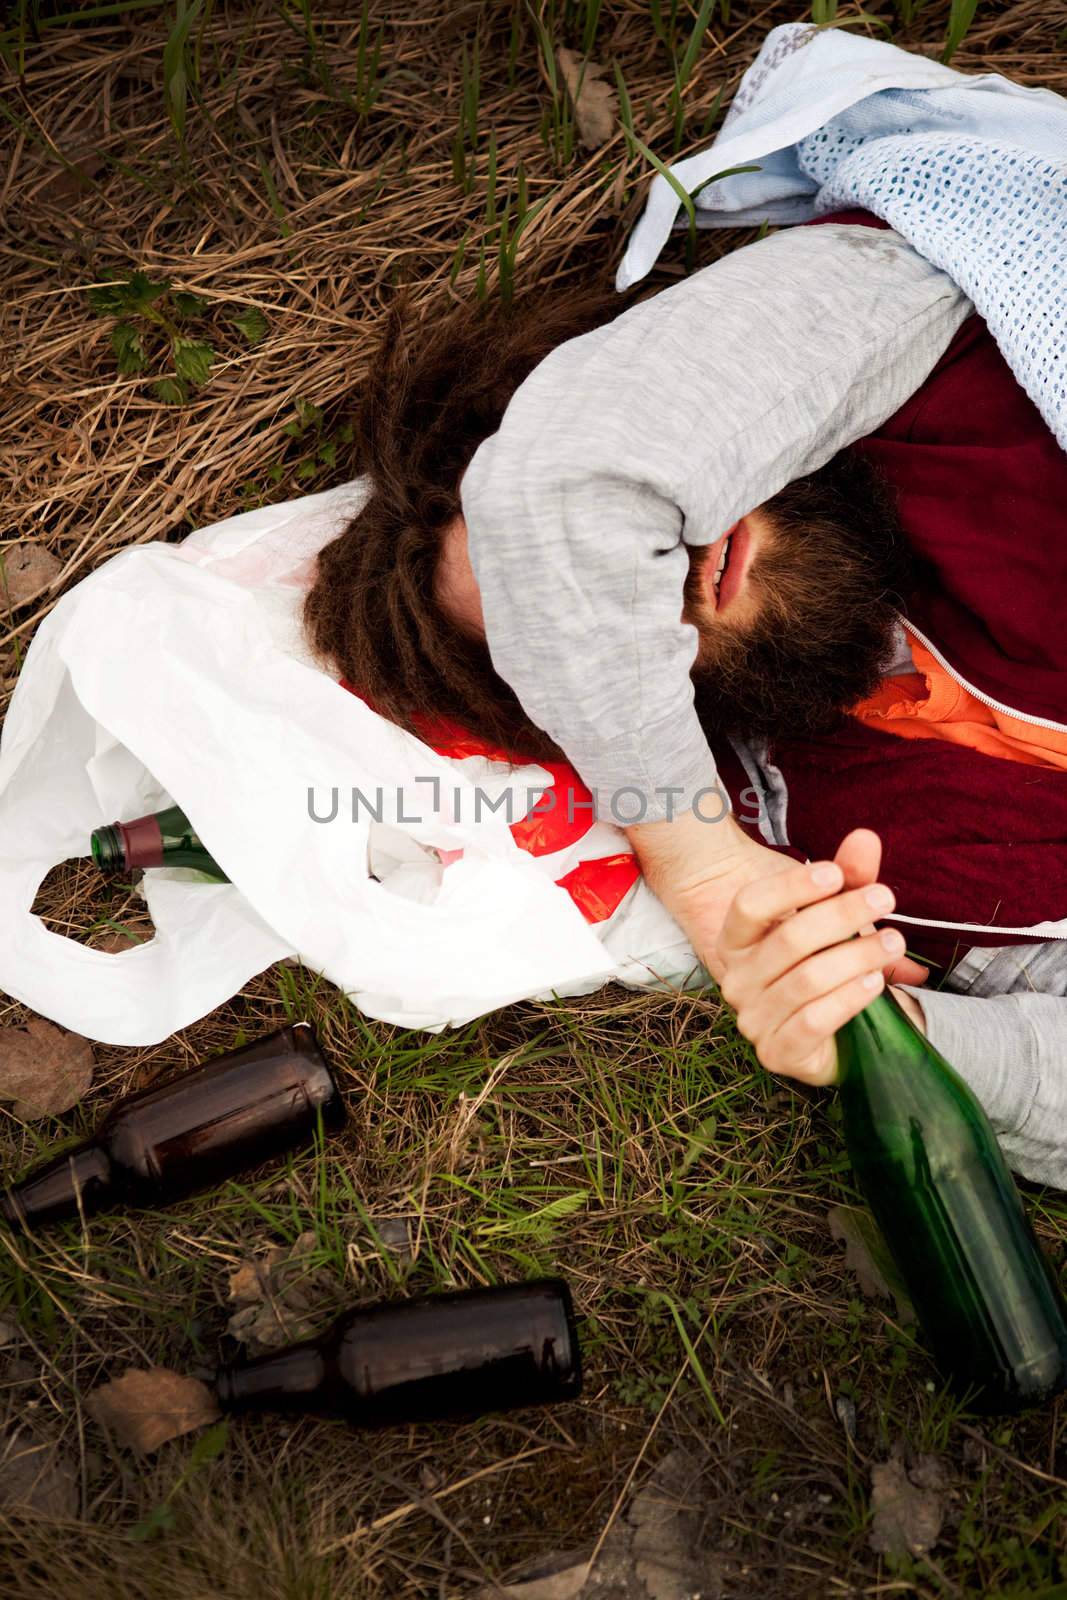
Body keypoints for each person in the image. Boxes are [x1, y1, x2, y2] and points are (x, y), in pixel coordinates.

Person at [304, 212, 1067, 1187]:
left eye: (618, 563)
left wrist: (691, 861)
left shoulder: (925, 317)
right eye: (564, 638)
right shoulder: (810, 837)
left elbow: (561, 484)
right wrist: (896, 1034)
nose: (656, 582)